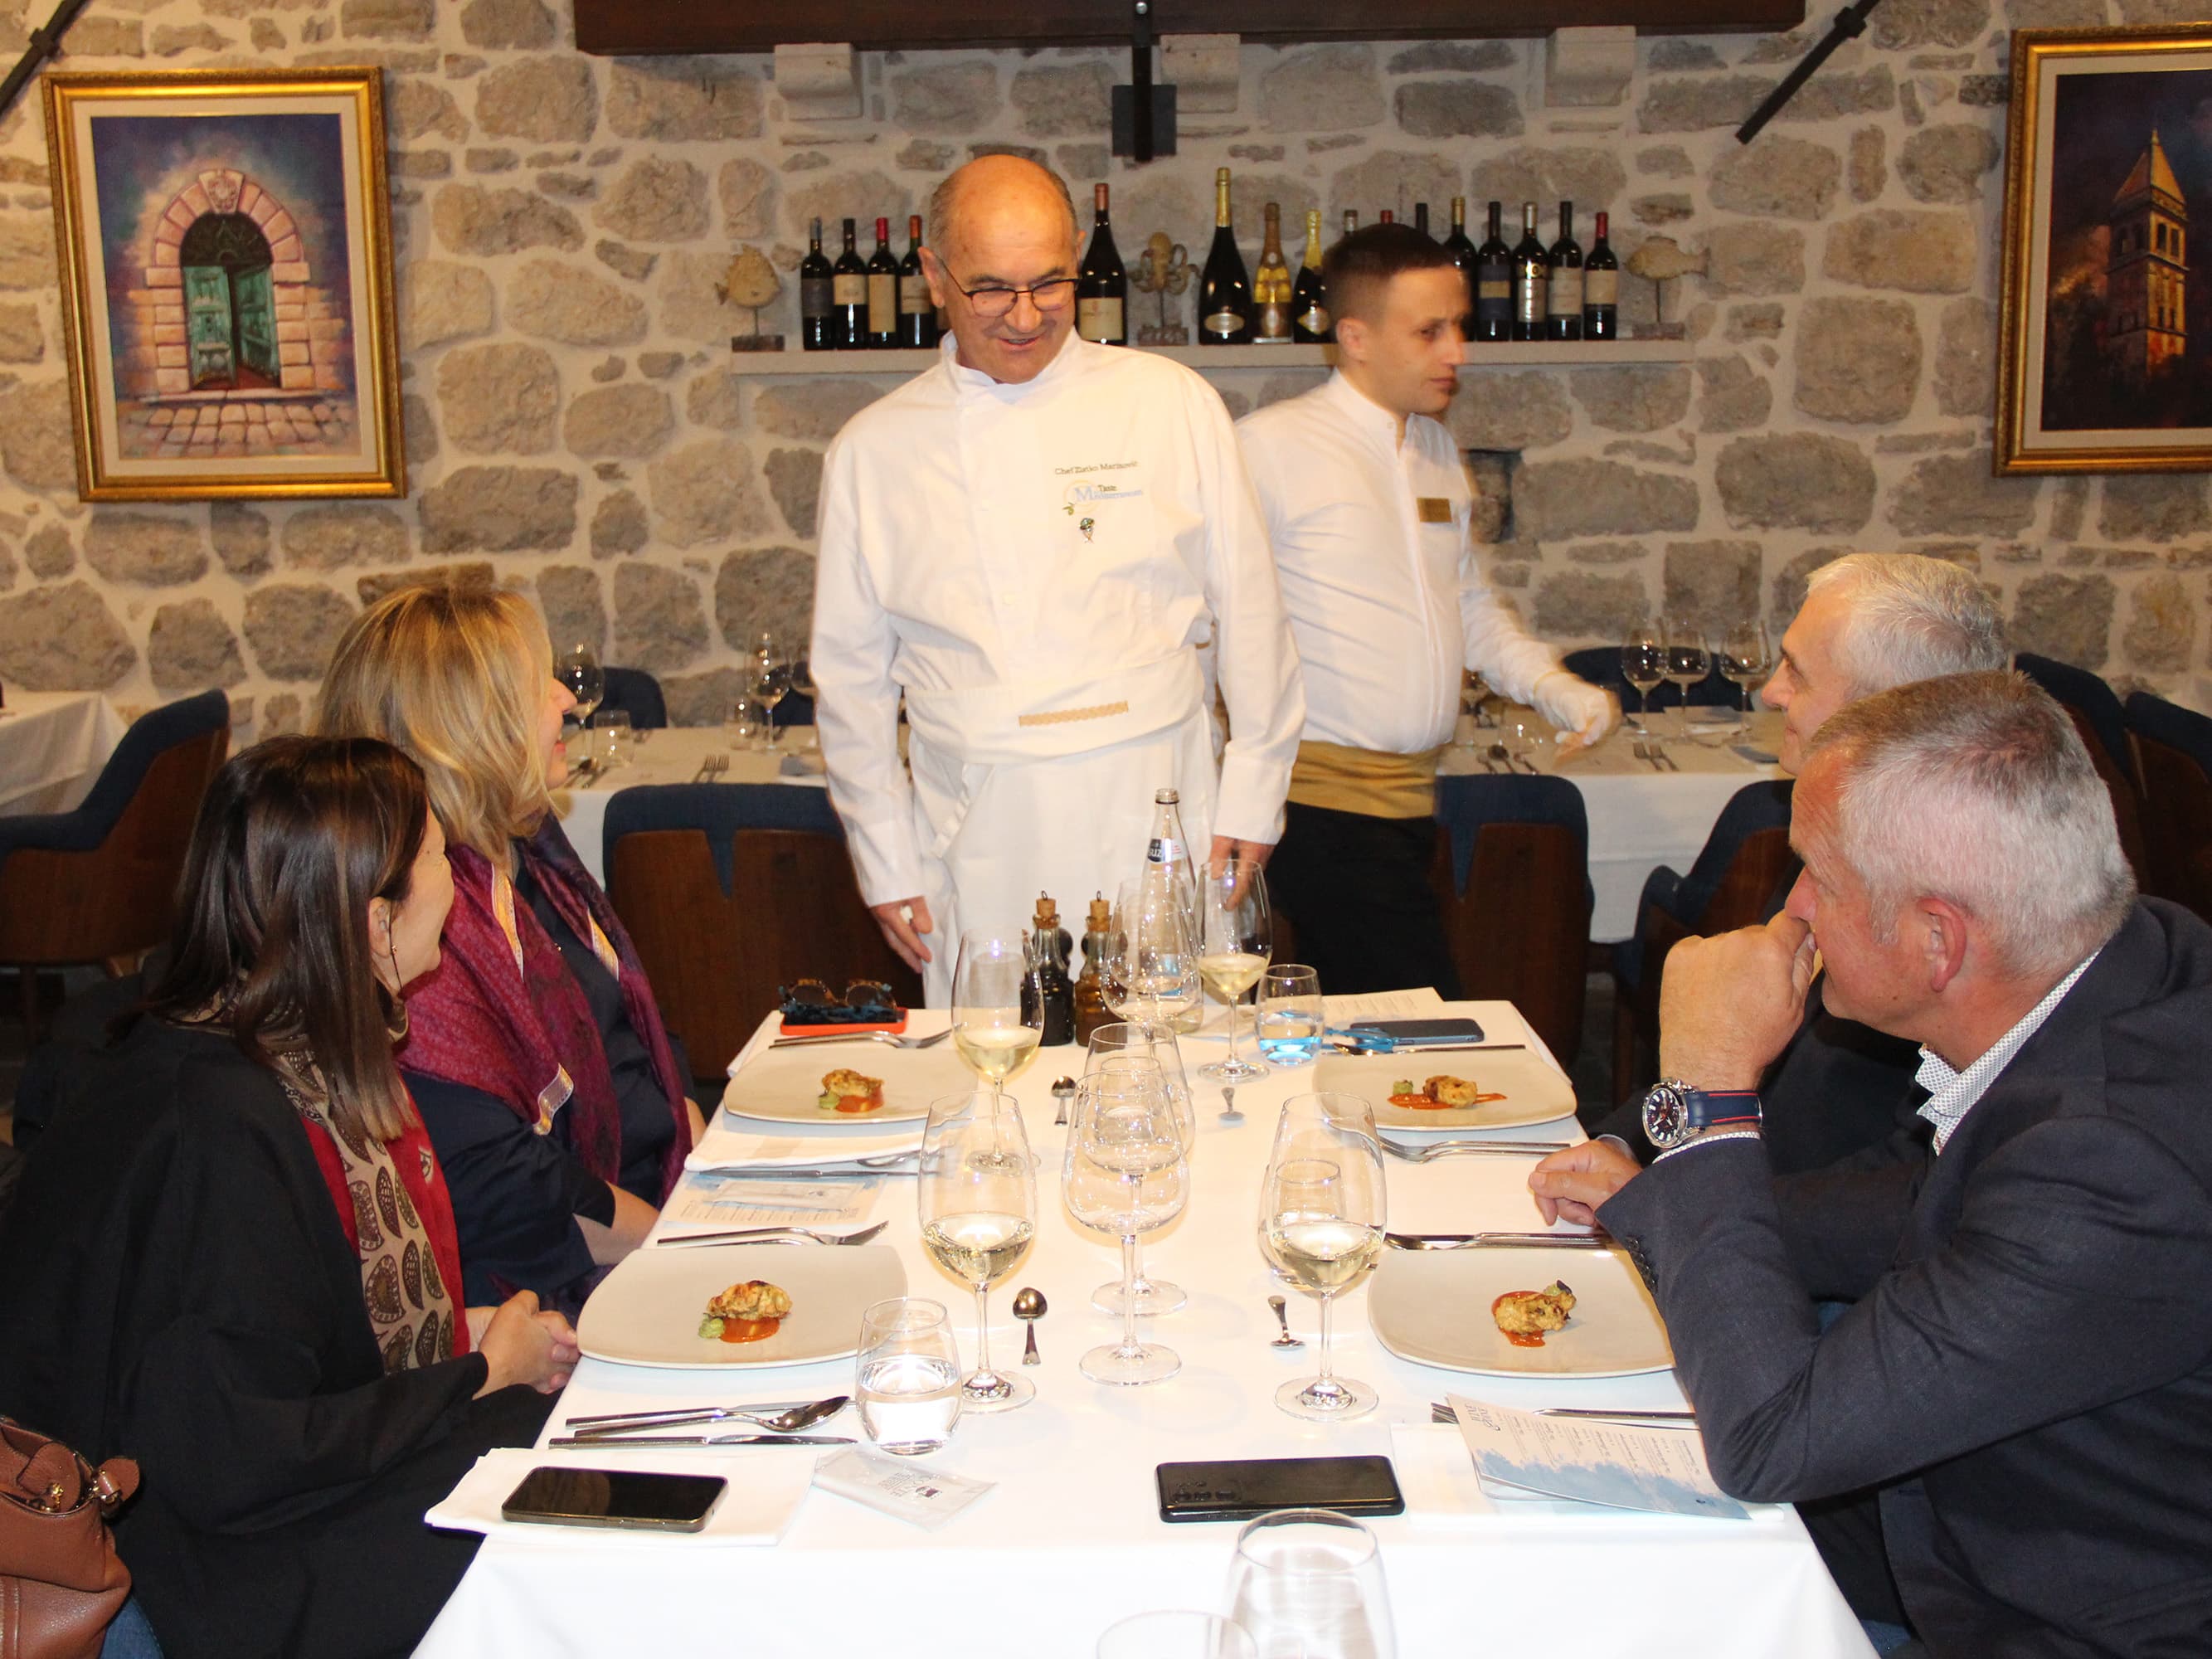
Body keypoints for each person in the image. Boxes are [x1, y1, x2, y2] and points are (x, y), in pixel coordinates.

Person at [1529, 672, 2212, 1657]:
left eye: (1820, 876)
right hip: (1959, 1512)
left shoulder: (2114, 1159)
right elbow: (1921, 1203)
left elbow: (1771, 1438)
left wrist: (1711, 1086)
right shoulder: (2140, 958)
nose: (1795, 907)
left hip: (2045, 1614)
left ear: (1939, 939)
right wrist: (1661, 1197)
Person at [0, 737, 579, 1659]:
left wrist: (470, 1345)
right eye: (438, 856)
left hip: (231, 1502)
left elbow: (280, 1342)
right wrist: (475, 1376)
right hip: (196, 1572)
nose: (458, 880)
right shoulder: (218, 1130)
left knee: (556, 1438)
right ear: (373, 921)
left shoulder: (254, 1052)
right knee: (555, 1512)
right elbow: (232, 1454)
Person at [810, 154, 1305, 1002]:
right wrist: (885, 858)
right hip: (982, 821)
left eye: (1049, 283)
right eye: (991, 289)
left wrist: (1254, 794)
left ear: (1078, 257)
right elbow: (850, 680)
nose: (1024, 315)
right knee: (1001, 1043)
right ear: (933, 273)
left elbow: (1253, 613)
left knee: (1169, 1041)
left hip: (1157, 798)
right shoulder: (872, 450)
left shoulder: (1173, 403)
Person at [1236, 223, 1613, 995]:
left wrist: (1552, 684)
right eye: (1429, 331)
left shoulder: (1435, 449)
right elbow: (1210, 624)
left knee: (1371, 1028)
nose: (1457, 352)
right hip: (1317, 808)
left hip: (1410, 803)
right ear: (1355, 337)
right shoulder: (1266, 449)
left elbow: (1466, 601)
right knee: (1419, 1018)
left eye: (1459, 326)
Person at [315, 577, 698, 1316]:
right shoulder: (423, 921)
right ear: (461, 725)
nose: (567, 699)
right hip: (556, 1286)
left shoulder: (525, 860)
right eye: (535, 685)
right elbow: (500, 1185)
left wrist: (706, 1163)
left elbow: (633, 1035)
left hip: (659, 1203)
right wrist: (677, 1238)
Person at [1590, 551, 2009, 1173]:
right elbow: (1746, 1044)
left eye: (1798, 673)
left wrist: (1669, 1191)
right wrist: (1619, 1143)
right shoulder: (1837, 826)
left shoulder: (1945, 891)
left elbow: (1899, 1181)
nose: (1770, 692)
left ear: (1885, 710)